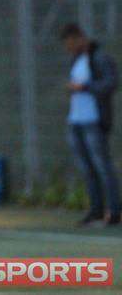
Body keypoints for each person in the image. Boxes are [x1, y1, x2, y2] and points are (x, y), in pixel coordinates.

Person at [60, 23, 120, 226]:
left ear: (78, 38)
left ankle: (114, 210)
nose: (68, 48)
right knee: (86, 168)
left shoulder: (99, 58)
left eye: (70, 43)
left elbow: (111, 83)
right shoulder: (75, 60)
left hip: (93, 121)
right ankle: (96, 210)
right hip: (76, 121)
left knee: (103, 166)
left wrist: (84, 87)